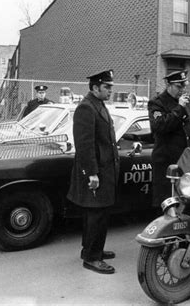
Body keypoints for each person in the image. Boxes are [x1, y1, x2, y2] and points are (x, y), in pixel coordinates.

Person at [67, 70, 119, 275]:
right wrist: (92, 174)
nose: (110, 91)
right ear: (95, 87)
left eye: (110, 87)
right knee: (96, 214)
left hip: (104, 170)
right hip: (96, 172)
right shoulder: (86, 108)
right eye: (107, 87)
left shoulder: (98, 105)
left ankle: (91, 249)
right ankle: (92, 258)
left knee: (98, 213)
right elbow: (84, 145)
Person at [148, 70, 190, 206]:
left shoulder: (186, 102)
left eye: (184, 86)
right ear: (168, 85)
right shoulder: (157, 103)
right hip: (167, 161)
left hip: (186, 160)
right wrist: (179, 108)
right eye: (178, 86)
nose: (182, 90)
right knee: (166, 201)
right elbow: (160, 126)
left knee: (186, 200)